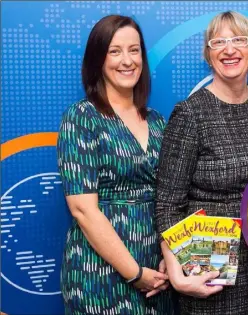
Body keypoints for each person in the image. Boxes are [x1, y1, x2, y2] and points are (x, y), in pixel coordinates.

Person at [155, 11, 248, 315]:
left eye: (239, 39)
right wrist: (178, 273)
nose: (229, 49)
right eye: (218, 42)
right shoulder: (190, 114)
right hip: (214, 269)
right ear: (208, 55)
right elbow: (168, 204)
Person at [57, 15, 175, 314]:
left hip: (158, 273)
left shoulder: (158, 122)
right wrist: (134, 273)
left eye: (134, 50)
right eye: (115, 51)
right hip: (100, 273)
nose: (127, 60)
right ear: (98, 59)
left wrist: (170, 256)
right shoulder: (81, 118)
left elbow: (170, 198)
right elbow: (83, 209)